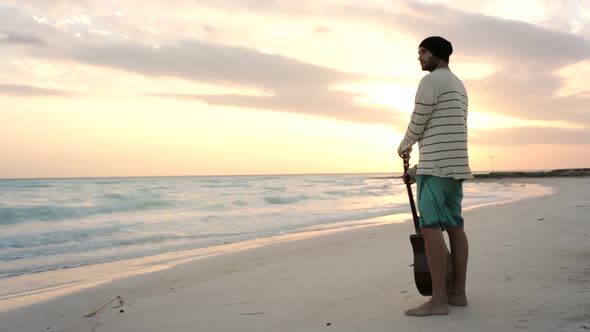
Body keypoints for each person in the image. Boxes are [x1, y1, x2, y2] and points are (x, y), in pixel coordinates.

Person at [397, 36, 472, 316]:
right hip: (455, 165)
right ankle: (458, 293)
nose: (420, 57)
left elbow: (419, 119)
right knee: (454, 225)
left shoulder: (431, 82)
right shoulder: (458, 84)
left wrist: (404, 146)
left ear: (438, 54)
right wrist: (418, 168)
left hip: (437, 167)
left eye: (424, 52)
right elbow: (445, 128)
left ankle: (438, 300)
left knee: (430, 229)